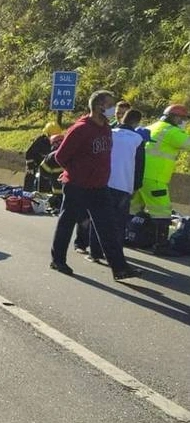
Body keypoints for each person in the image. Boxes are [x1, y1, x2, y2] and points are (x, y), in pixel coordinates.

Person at [49, 89, 141, 281]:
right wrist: (77, 172)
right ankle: (58, 260)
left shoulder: (106, 127)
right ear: (99, 106)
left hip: (99, 187)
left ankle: (120, 268)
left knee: (108, 227)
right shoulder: (80, 129)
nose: (112, 109)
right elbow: (60, 156)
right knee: (67, 222)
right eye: (109, 105)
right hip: (78, 185)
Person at [83, 108, 146, 263]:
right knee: (118, 222)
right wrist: (136, 185)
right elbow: (139, 166)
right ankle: (115, 255)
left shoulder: (109, 133)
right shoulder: (138, 139)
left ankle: (95, 253)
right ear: (137, 122)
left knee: (99, 219)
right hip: (124, 185)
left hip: (103, 182)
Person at [130, 103, 190, 255]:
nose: (185, 122)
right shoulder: (171, 131)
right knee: (162, 211)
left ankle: (129, 236)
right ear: (175, 117)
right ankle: (161, 246)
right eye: (184, 119)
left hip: (138, 175)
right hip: (155, 178)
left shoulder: (152, 126)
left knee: (133, 208)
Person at [24, 121, 64, 191]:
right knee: (30, 177)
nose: (57, 142)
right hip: (37, 167)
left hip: (51, 171)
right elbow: (29, 154)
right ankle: (27, 194)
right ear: (47, 135)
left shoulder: (60, 144)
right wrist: (30, 167)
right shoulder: (40, 142)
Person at [38, 134, 65, 210]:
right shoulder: (71, 153)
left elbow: (43, 171)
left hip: (57, 190)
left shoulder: (50, 157)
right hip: (71, 189)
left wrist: (52, 176)